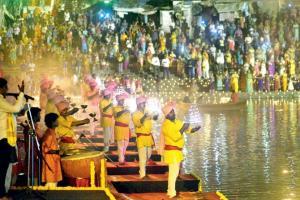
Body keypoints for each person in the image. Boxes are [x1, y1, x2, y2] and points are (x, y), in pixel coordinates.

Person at [161, 102, 201, 198]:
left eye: (173, 112)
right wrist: (183, 128)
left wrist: (193, 129)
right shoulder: (166, 125)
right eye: (171, 112)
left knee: (174, 173)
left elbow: (186, 129)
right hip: (172, 152)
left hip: (177, 152)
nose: (174, 114)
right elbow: (175, 137)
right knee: (173, 174)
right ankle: (171, 193)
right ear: (167, 115)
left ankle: (171, 192)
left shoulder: (176, 122)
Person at [0, 78, 25, 199]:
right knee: (2, 169)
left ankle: (3, 193)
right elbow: (15, 109)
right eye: (5, 87)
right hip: (2, 140)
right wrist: (21, 94)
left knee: (3, 169)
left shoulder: (2, 102)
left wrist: (20, 98)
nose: (7, 90)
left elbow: (15, 110)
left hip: (5, 139)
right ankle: (2, 195)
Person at [132, 96, 158, 179]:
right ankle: (142, 175)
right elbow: (138, 124)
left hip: (148, 137)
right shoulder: (135, 114)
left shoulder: (146, 112)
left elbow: (154, 118)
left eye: (145, 103)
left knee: (148, 156)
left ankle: (142, 171)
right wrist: (144, 116)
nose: (144, 105)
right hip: (141, 138)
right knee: (142, 157)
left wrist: (156, 115)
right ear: (139, 104)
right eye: (143, 103)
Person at [42, 113, 62, 188]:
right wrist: (57, 152)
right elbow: (46, 149)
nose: (58, 122)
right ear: (52, 122)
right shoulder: (49, 134)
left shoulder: (52, 131)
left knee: (54, 180)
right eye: (56, 120)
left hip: (54, 160)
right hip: (50, 160)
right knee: (51, 182)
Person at [113, 93, 130, 165]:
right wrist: (124, 111)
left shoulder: (126, 108)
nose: (123, 101)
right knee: (120, 144)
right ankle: (121, 160)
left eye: (123, 100)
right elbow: (116, 115)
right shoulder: (115, 108)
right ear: (118, 101)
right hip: (119, 128)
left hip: (126, 128)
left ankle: (122, 157)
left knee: (125, 144)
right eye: (121, 100)